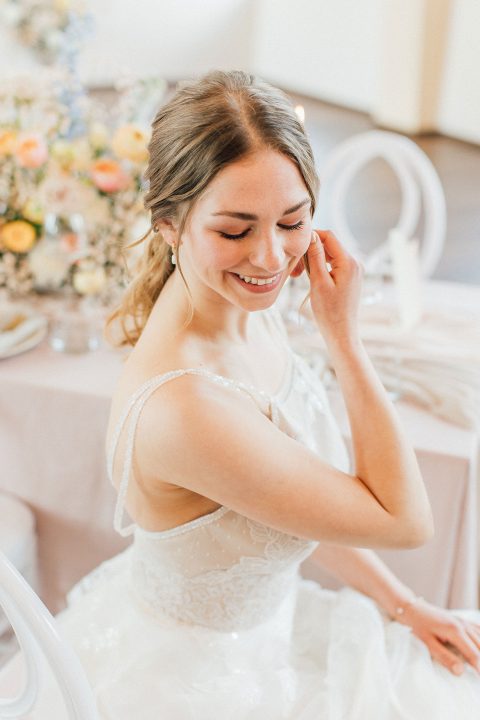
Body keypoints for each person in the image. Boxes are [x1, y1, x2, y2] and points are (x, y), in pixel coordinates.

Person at [19, 70, 480, 718]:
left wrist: (403, 603)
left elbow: (291, 497)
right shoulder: (188, 408)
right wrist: (345, 341)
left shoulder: (240, 307)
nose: (270, 258)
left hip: (273, 633)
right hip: (200, 684)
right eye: (235, 231)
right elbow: (407, 520)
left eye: (292, 221)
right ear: (169, 226)